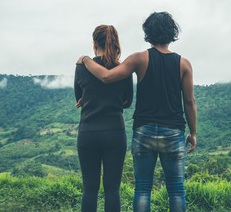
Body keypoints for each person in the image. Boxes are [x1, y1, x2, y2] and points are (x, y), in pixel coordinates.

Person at [77, 12, 197, 212]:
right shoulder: (184, 64)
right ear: (172, 33)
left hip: (144, 131)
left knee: (142, 189)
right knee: (176, 190)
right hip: (174, 131)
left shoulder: (139, 59)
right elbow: (189, 102)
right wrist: (192, 132)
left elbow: (106, 77)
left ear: (148, 33)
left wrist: (86, 60)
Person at [74, 25, 133, 212]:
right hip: (115, 132)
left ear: (94, 44)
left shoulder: (82, 67)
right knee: (112, 189)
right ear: (115, 43)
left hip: (88, 132)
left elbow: (79, 98)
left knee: (89, 189)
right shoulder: (122, 69)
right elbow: (128, 101)